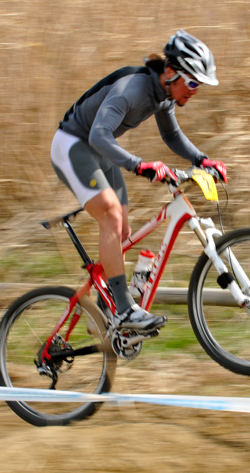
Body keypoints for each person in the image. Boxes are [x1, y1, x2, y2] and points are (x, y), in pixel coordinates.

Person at [51, 30, 227, 333]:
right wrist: (140, 165)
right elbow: (98, 134)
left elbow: (171, 135)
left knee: (122, 230)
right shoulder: (131, 89)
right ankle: (122, 310)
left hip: (99, 152)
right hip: (72, 145)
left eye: (200, 85)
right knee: (110, 214)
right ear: (171, 72)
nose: (195, 91)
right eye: (193, 82)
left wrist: (202, 160)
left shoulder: (164, 94)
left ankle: (105, 312)